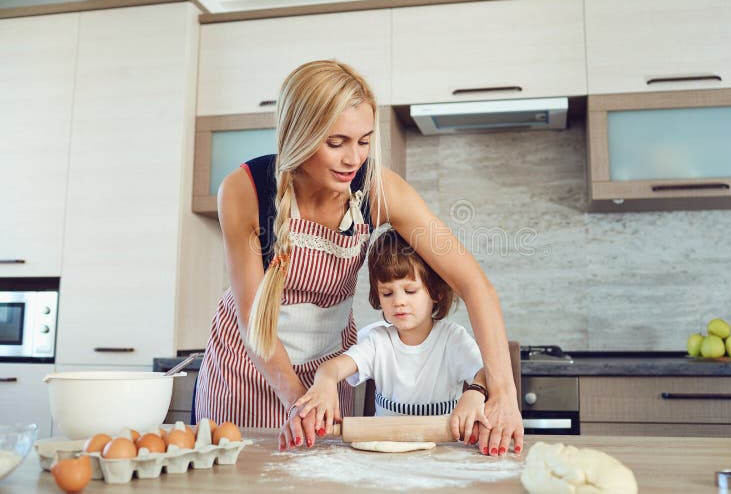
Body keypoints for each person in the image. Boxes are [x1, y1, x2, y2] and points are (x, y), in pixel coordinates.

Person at [194, 59, 523, 457]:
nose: (354, 159)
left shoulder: (379, 189)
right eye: (337, 143)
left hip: (328, 376)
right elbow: (252, 323)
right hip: (246, 368)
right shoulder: (243, 191)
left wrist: (503, 394)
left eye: (364, 141)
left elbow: (474, 285)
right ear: (299, 135)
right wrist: (301, 402)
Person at [294, 229, 491, 448]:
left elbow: (486, 373)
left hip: (444, 455)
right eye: (387, 293)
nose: (398, 301)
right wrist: (325, 381)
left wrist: (476, 392)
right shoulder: (378, 341)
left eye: (410, 290)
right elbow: (331, 368)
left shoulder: (452, 340)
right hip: (387, 460)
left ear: (436, 292)